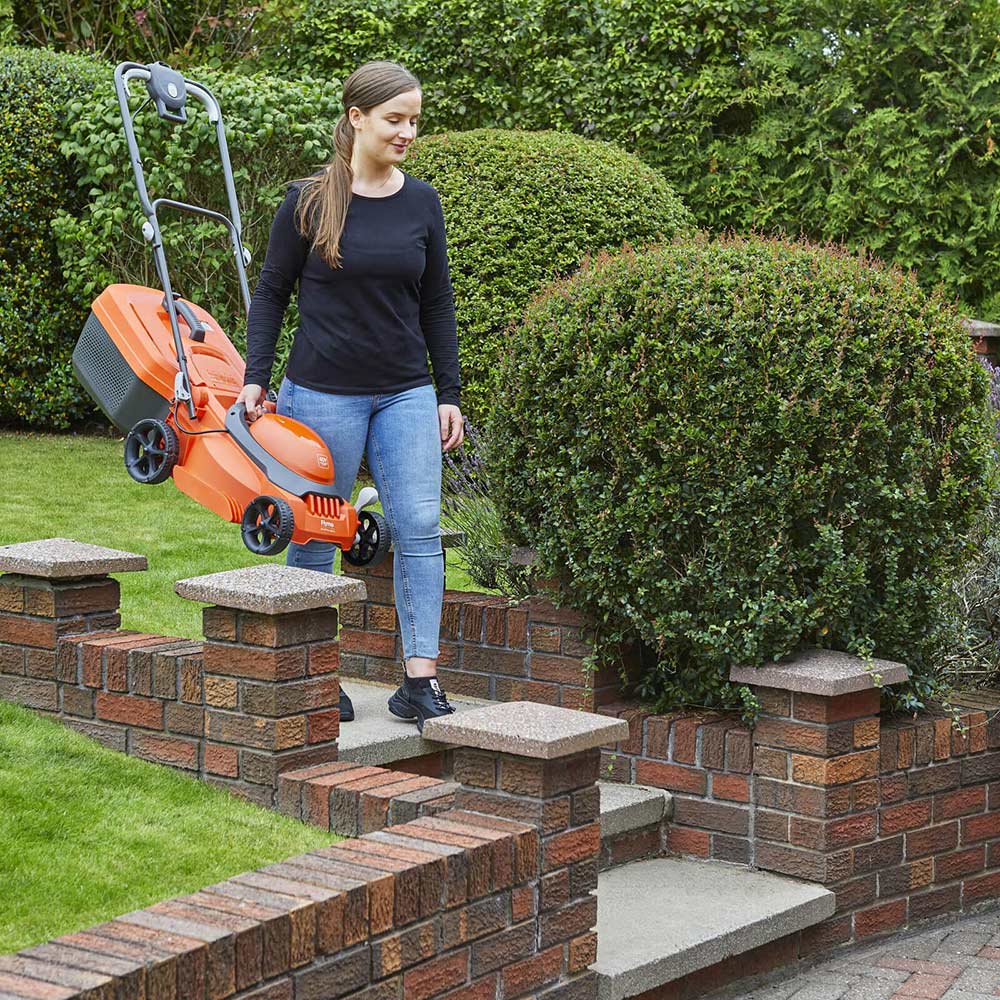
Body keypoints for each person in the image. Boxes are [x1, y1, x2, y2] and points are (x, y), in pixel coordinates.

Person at [236, 60, 464, 732]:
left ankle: (419, 681)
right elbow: (271, 293)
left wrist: (448, 392)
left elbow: (438, 303)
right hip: (321, 394)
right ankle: (312, 675)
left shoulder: (422, 203)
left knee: (418, 527)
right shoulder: (307, 201)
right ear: (357, 118)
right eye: (396, 119)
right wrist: (255, 376)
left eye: (414, 121)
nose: (408, 132)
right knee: (316, 529)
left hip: (405, 393)